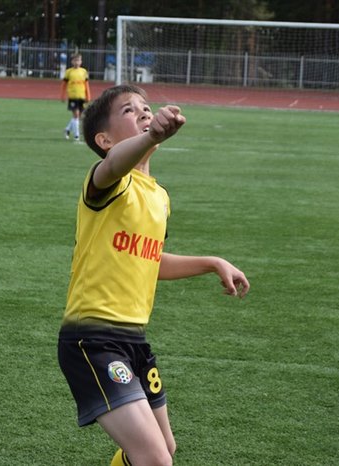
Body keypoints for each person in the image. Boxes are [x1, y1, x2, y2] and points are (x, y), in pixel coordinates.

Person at [57, 84, 250, 466]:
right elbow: (114, 164)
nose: (144, 112)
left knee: (165, 450)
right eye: (129, 110)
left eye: (146, 107)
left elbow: (150, 260)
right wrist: (152, 136)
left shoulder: (159, 196)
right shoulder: (108, 181)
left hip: (134, 339)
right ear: (104, 140)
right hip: (92, 340)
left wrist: (212, 262)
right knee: (155, 459)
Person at [60, 53, 91, 141]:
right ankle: (76, 135)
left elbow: (86, 85)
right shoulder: (69, 72)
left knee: (79, 116)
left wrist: (88, 96)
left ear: (81, 62)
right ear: (72, 62)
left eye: (79, 60)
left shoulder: (83, 72)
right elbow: (64, 85)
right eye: (75, 60)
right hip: (73, 97)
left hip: (81, 96)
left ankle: (67, 130)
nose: (77, 62)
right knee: (76, 115)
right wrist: (62, 95)